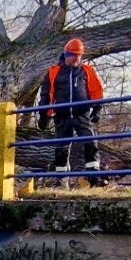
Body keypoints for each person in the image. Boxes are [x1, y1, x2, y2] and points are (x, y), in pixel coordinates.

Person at [36, 38, 104, 184]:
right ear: (66, 54)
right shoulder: (54, 72)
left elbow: (96, 90)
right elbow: (45, 95)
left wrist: (97, 108)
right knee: (61, 147)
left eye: (79, 55)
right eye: (73, 54)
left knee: (90, 142)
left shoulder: (86, 71)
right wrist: (43, 116)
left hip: (82, 114)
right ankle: (61, 180)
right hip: (62, 115)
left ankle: (94, 177)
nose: (76, 58)